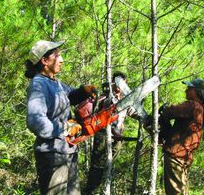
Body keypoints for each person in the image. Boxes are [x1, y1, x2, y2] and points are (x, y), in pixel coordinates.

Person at [25, 40, 96, 195]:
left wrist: (84, 91)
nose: (62, 60)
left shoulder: (55, 82)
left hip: (67, 151)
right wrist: (65, 129)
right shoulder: (39, 84)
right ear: (44, 61)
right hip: (52, 154)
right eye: (57, 55)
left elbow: (69, 96)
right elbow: (35, 121)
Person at [84, 71, 140, 194]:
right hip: (104, 135)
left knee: (109, 164)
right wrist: (114, 132)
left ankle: (102, 187)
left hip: (118, 136)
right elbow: (102, 118)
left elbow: (131, 112)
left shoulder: (125, 99)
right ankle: (90, 191)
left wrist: (144, 117)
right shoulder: (106, 98)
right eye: (117, 83)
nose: (119, 86)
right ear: (113, 83)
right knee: (98, 165)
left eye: (122, 84)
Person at [158, 78, 204, 195]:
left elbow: (171, 111)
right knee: (182, 191)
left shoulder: (193, 106)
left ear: (196, 91)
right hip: (184, 156)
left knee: (175, 192)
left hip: (176, 156)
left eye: (189, 88)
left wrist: (164, 111)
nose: (186, 91)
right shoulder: (201, 109)